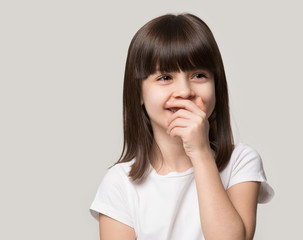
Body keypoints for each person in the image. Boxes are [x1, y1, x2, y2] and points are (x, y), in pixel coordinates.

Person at [90, 13, 274, 240]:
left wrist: (201, 152)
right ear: (139, 92)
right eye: (165, 77)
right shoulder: (120, 183)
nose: (185, 91)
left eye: (199, 75)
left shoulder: (240, 162)